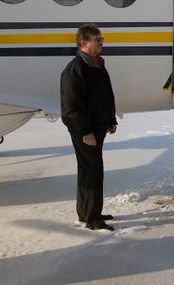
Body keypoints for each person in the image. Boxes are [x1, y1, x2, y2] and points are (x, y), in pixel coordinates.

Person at [61, 24, 117, 231]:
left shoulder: (95, 64)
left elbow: (105, 95)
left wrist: (110, 120)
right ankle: (92, 219)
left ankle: (88, 213)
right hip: (86, 131)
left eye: (102, 38)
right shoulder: (76, 69)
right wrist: (85, 132)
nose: (102, 42)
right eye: (97, 39)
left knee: (89, 170)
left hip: (96, 127)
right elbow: (71, 107)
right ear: (84, 43)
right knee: (92, 172)